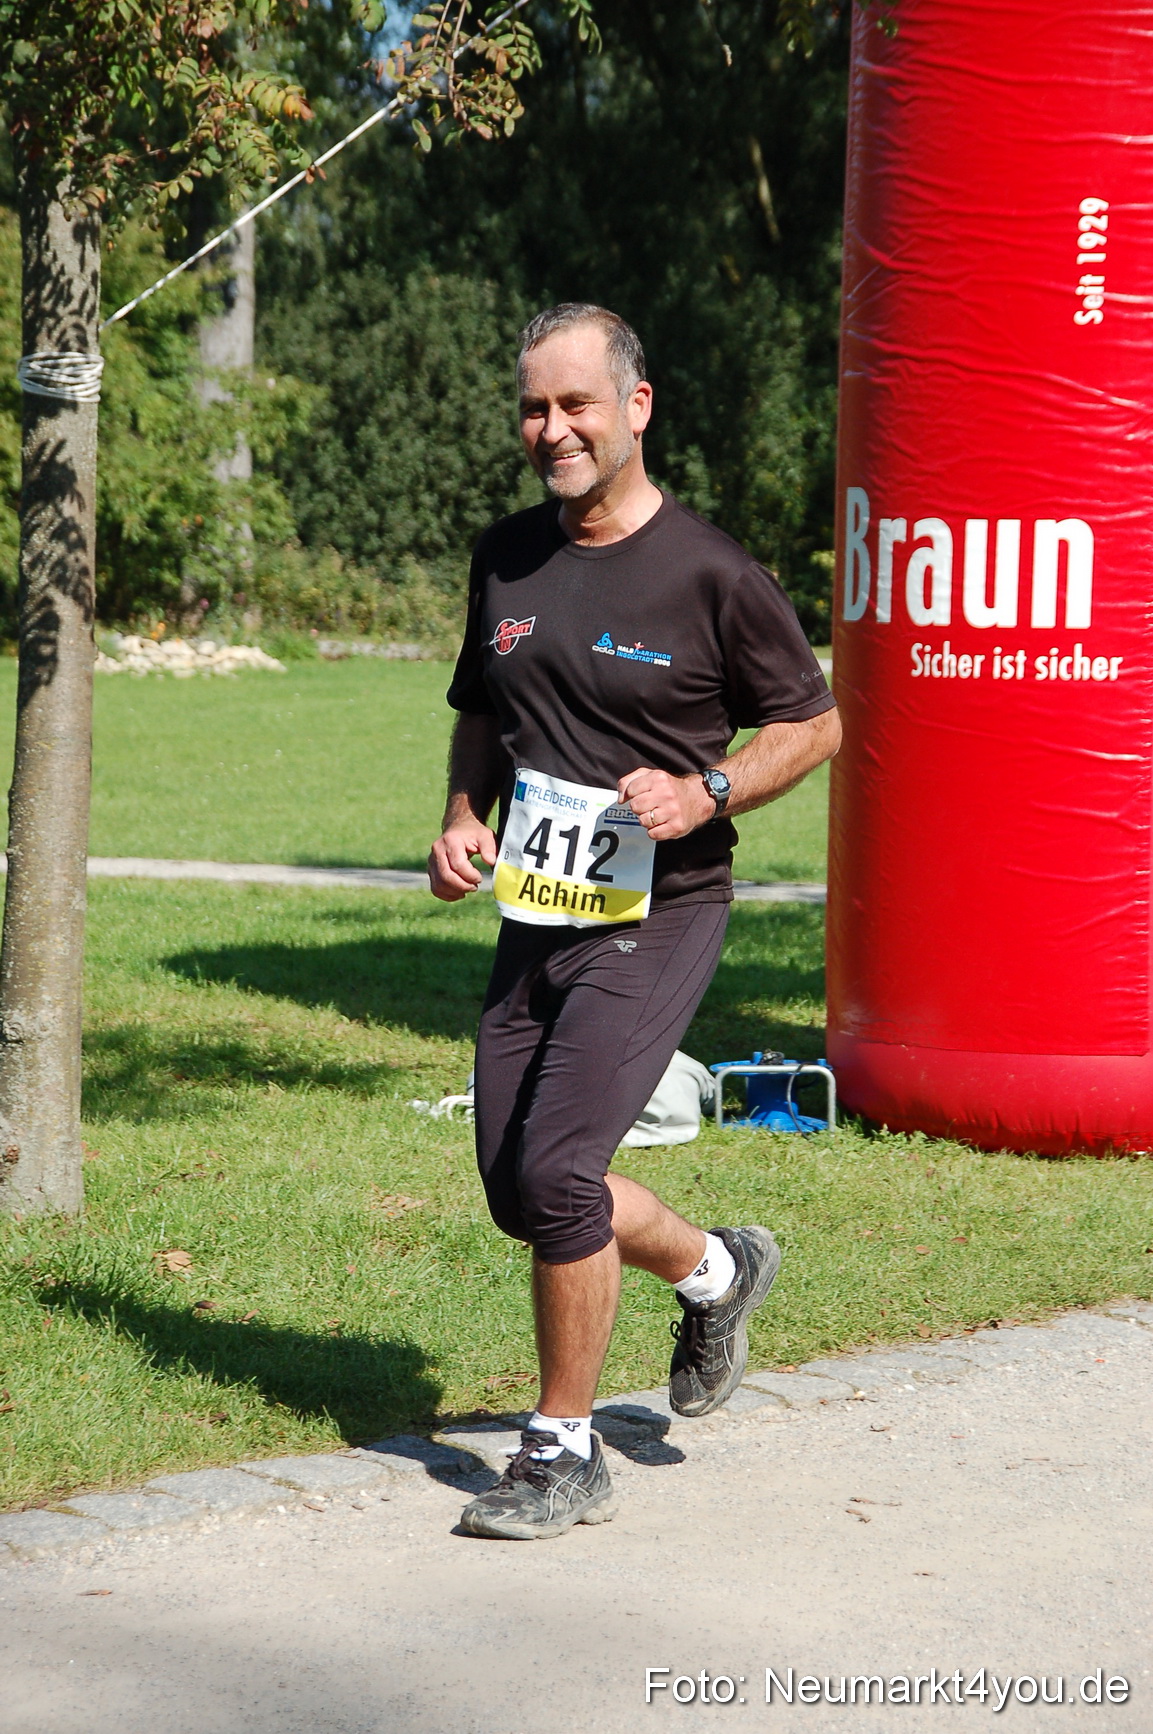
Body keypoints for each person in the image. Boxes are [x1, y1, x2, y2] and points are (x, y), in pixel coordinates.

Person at [428, 303, 840, 1540]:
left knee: (555, 1173)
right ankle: (720, 1271)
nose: (550, 429)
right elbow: (483, 712)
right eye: (534, 408)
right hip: (540, 911)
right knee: (522, 1186)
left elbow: (813, 725)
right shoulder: (506, 557)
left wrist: (706, 787)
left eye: (575, 406)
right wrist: (460, 813)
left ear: (636, 409)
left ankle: (562, 1452)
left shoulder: (709, 572)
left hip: (663, 910)